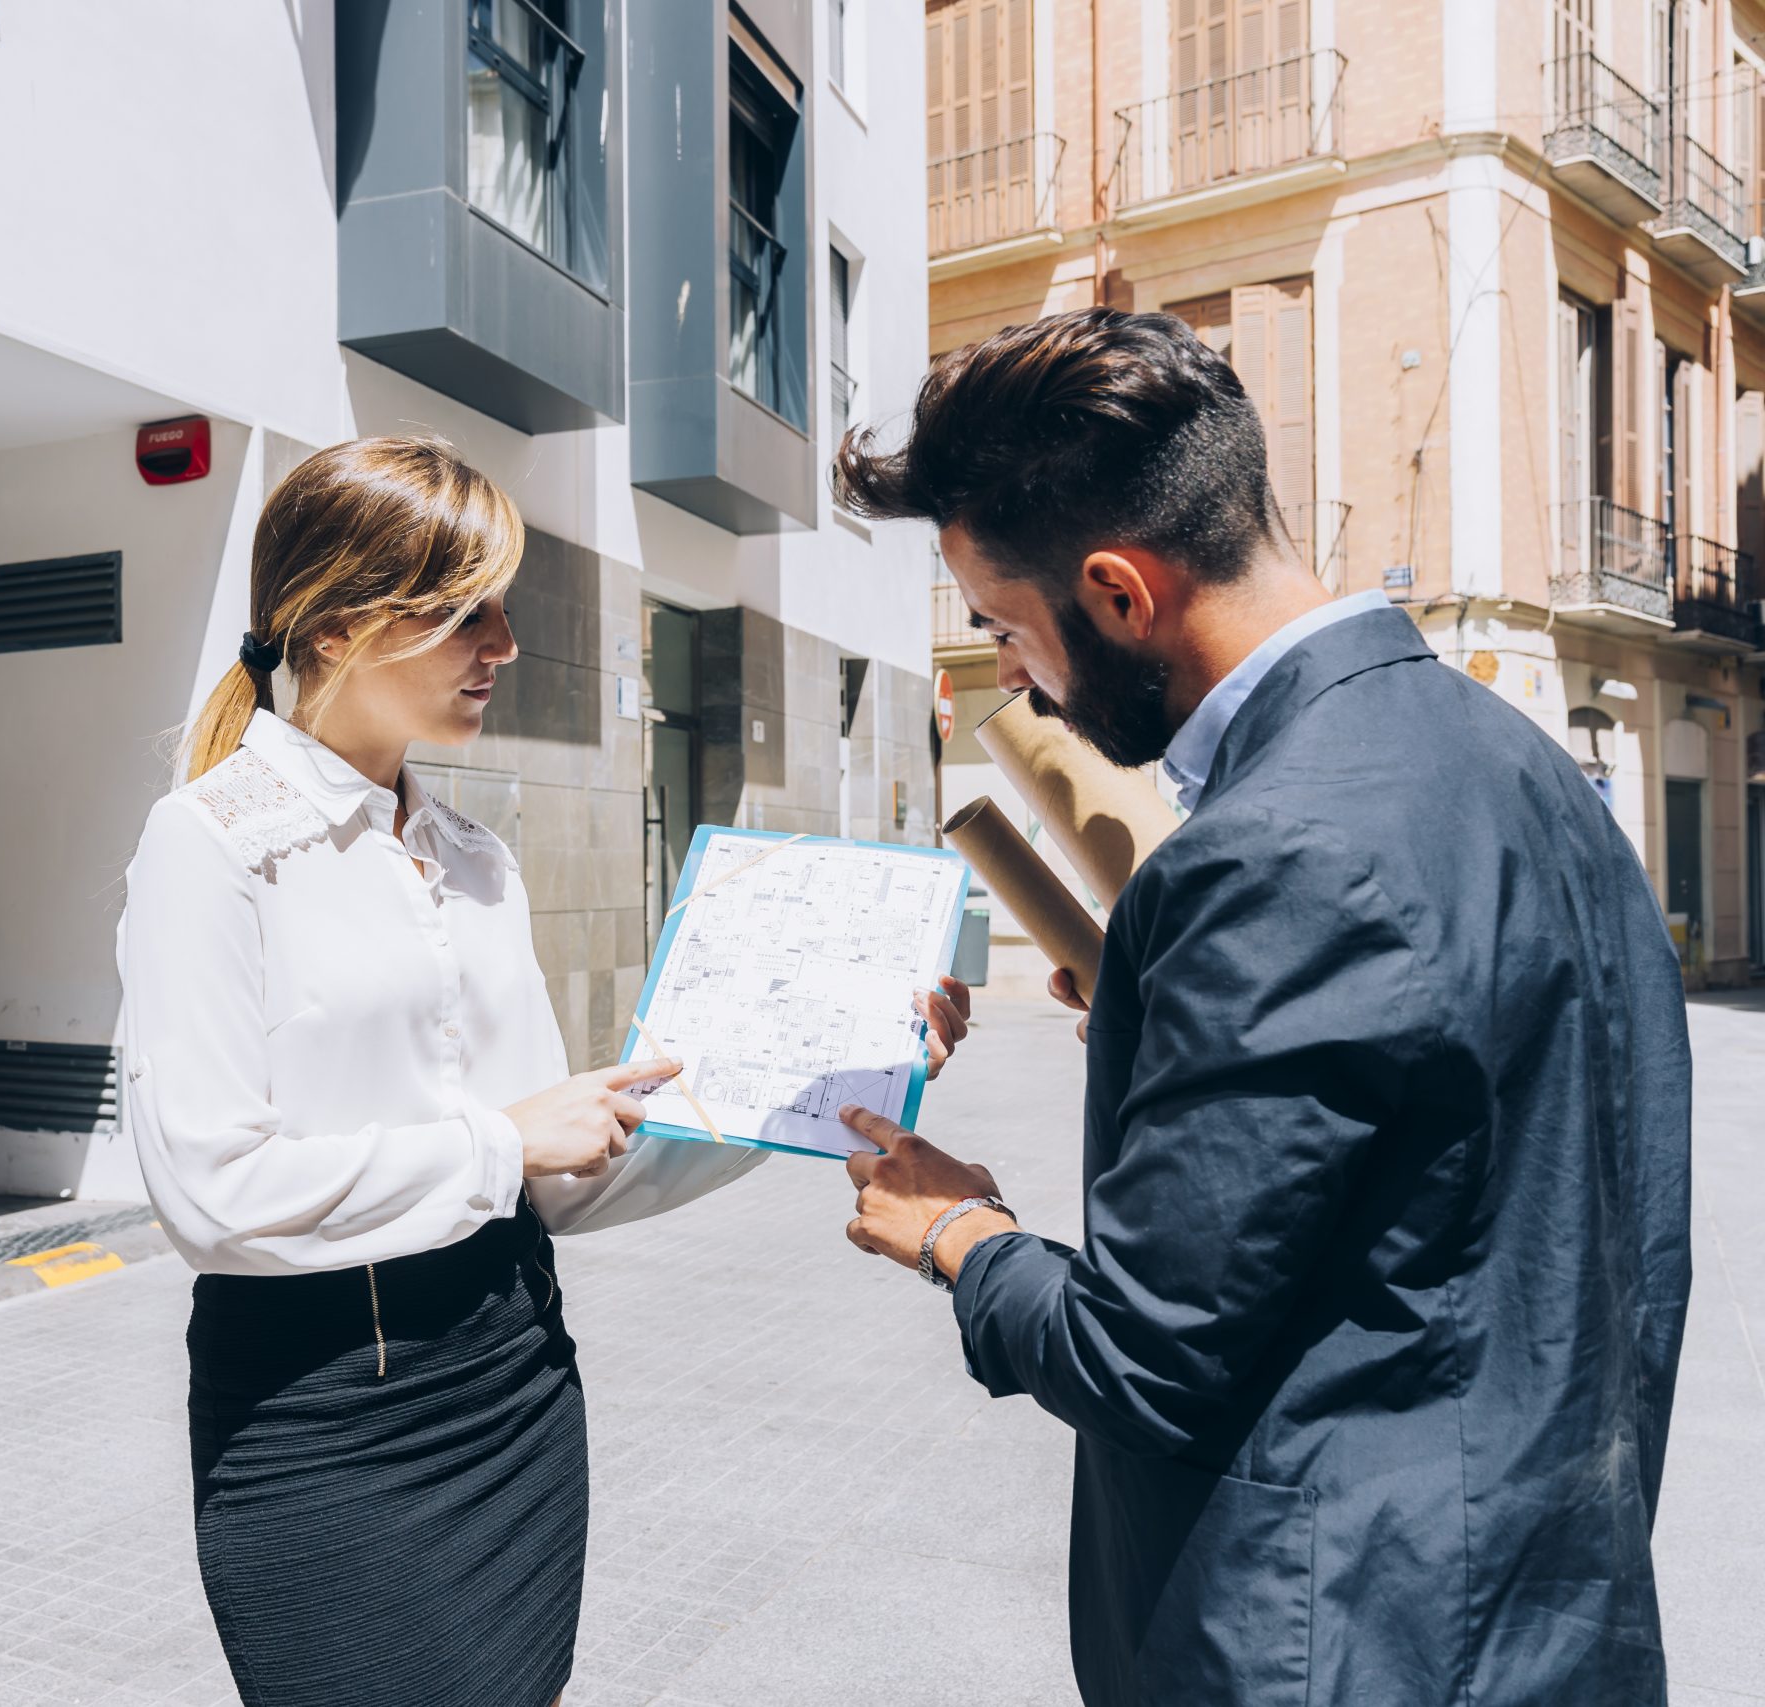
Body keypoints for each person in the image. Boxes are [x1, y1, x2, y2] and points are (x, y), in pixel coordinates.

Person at [829, 308, 1693, 1705]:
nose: (1008, 675)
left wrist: (957, 1232)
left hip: (1349, 1639)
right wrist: (1171, 1014)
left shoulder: (1274, 851)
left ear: (1118, 591)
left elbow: (1142, 1355)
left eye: (1003, 622)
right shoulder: (1519, 759)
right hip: (1548, 1593)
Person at [116, 435, 968, 1707]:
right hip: (322, 1416)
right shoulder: (214, 845)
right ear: (343, 623)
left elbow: (562, 1177)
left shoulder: (473, 858)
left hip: (513, 1385)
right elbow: (211, 1192)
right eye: (468, 612)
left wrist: (827, 1078)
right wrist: (502, 1145)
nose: (505, 645)